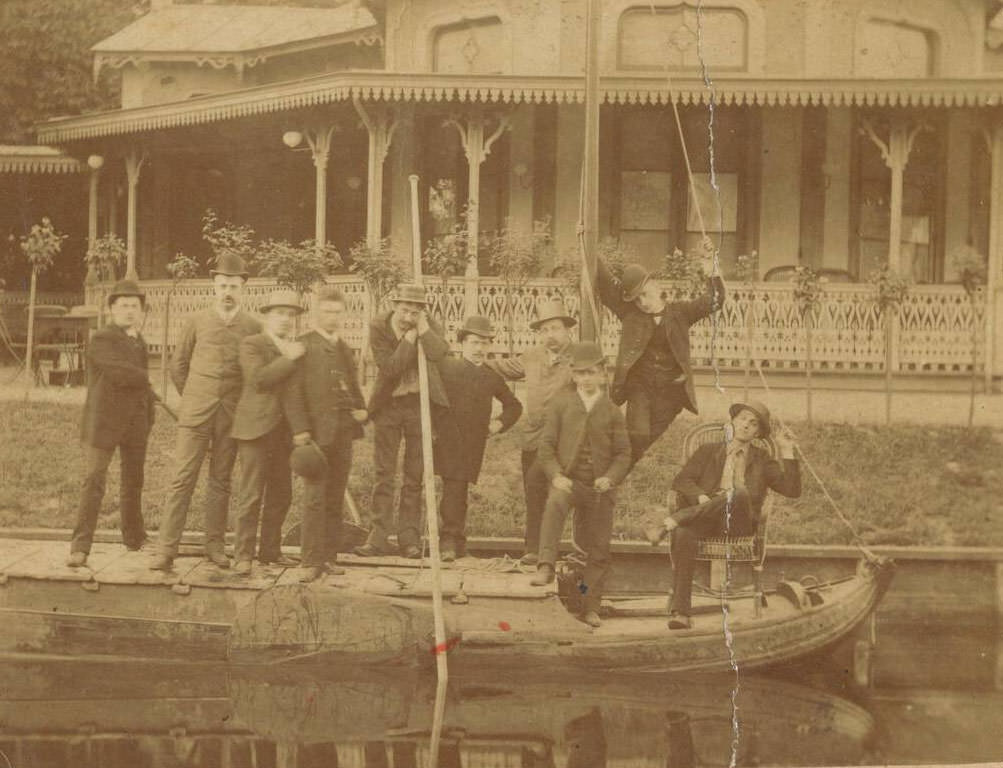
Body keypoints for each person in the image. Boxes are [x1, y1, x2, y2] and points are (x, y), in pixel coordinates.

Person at [151, 254, 261, 571]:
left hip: (231, 415)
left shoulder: (252, 326)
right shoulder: (196, 321)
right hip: (196, 414)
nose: (228, 292)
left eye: (234, 286)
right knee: (182, 479)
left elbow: (252, 371)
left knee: (221, 480)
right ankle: (166, 549)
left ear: (244, 289)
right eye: (223, 285)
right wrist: (194, 397)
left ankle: (214, 546)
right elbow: (178, 365)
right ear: (214, 285)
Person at [658, 400, 801, 630]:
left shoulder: (762, 458)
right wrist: (702, 498)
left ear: (757, 432)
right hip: (706, 519)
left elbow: (792, 490)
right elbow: (682, 480)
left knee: (740, 493)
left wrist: (786, 450)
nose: (746, 425)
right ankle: (681, 613)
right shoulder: (708, 451)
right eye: (743, 418)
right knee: (684, 534)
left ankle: (674, 520)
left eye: (753, 424)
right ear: (733, 421)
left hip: (739, 522)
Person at [530, 342, 631, 629]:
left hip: (599, 488)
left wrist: (609, 478)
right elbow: (546, 447)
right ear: (573, 376)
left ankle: (589, 605)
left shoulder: (612, 411)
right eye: (580, 373)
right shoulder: (562, 405)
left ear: (602, 375)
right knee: (554, 503)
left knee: (597, 548)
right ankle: (546, 565)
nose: (586, 379)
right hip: (568, 481)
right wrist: (555, 475)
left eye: (592, 373)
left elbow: (624, 454)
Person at [595, 247, 724, 465]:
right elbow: (606, 284)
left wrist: (709, 263)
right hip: (640, 387)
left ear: (655, 285)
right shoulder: (629, 314)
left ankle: (615, 472)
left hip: (670, 392)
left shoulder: (681, 313)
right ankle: (612, 470)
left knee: (644, 443)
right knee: (638, 434)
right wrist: (586, 243)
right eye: (636, 299)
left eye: (644, 294)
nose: (642, 303)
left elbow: (715, 299)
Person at [354, 283, 449, 559]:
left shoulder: (427, 325)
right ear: (395, 305)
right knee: (384, 473)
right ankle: (378, 537)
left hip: (419, 405)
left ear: (422, 312)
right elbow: (391, 367)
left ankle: (410, 537)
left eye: (415, 312)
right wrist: (409, 338)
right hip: (389, 406)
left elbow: (439, 353)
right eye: (405, 310)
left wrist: (423, 330)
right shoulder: (379, 326)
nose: (409, 317)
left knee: (414, 475)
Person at [67, 280, 155, 567]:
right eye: (123, 305)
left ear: (141, 310)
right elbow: (120, 373)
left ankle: (134, 537)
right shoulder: (102, 339)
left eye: (135, 306)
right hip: (103, 422)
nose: (130, 311)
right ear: (112, 309)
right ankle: (80, 546)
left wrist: (148, 416)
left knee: (133, 482)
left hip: (135, 423)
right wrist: (145, 379)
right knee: (94, 480)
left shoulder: (138, 340)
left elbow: (140, 385)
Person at [284, 287, 368, 582]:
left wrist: (361, 408)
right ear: (317, 312)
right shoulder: (304, 345)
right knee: (315, 497)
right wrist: (300, 429)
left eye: (337, 311)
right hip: (316, 435)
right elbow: (292, 393)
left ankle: (329, 556)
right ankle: (310, 560)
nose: (332, 317)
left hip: (343, 432)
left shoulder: (344, 347)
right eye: (327, 311)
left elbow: (352, 384)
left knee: (334, 496)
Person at [489, 296, 576, 565]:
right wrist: (465, 360)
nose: (550, 335)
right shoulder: (531, 357)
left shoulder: (579, 357)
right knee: (534, 494)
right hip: (534, 439)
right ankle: (533, 551)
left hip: (565, 442)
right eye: (545, 330)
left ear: (567, 329)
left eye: (555, 328)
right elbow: (500, 367)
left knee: (560, 497)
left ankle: (553, 554)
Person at [434, 315, 523, 561]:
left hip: (472, 443)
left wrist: (498, 424)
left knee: (459, 489)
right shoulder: (447, 368)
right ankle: (448, 540)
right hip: (446, 438)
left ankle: (456, 540)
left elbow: (514, 406)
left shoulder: (490, 376)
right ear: (462, 343)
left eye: (484, 343)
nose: (479, 349)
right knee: (452, 487)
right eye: (474, 342)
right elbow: (431, 400)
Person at [229, 289, 305, 575]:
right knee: (251, 494)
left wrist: (301, 429)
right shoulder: (253, 344)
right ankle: (243, 555)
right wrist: (289, 359)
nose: (285, 320)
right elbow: (259, 380)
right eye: (279, 314)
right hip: (255, 429)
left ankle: (270, 552)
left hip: (283, 433)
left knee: (281, 493)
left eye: (290, 315)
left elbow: (296, 393)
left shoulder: (294, 347)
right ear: (267, 316)